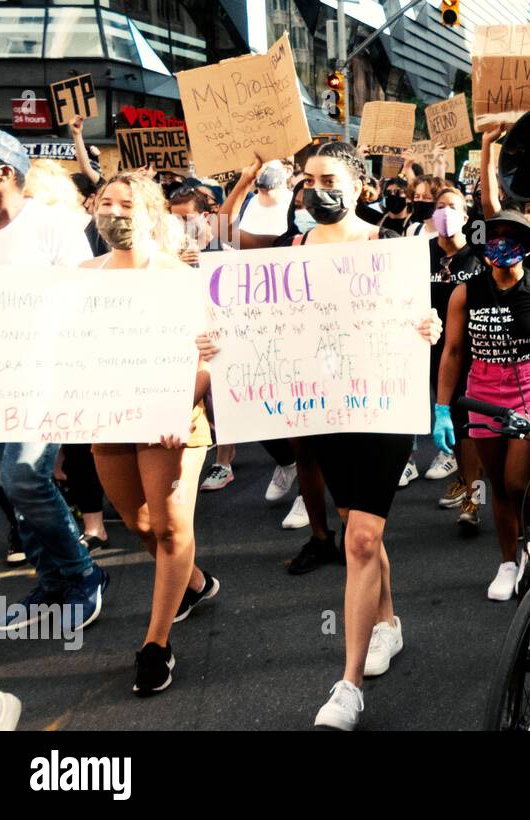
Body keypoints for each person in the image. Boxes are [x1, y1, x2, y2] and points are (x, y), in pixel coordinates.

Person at [200, 141, 440, 729]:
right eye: (307, 179)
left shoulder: (391, 250)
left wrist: (426, 326)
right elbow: (245, 308)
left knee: (359, 538)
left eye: (327, 178)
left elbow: (421, 319)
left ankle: (348, 686)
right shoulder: (293, 248)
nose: (315, 188)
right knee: (364, 525)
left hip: (380, 413)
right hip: (327, 414)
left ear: (358, 187)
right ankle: (387, 623)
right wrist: (217, 343)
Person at [83, 172, 221, 695]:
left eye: (127, 204)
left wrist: (176, 404)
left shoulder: (178, 277)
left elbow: (211, 357)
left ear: (150, 215)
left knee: (167, 526)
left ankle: (156, 644)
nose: (115, 213)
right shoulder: (82, 276)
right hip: (109, 417)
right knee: (137, 521)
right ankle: (196, 583)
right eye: (106, 203)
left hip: (170, 421)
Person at [0, 123, 108, 635]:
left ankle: (84, 574)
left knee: (25, 474)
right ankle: (51, 579)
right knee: (9, 483)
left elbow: (82, 297)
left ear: (2, 171)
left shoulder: (51, 223)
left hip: (46, 369)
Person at [435, 209, 530, 600]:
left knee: (517, 481)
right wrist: (443, 408)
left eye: (511, 237)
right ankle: (508, 561)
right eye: (494, 237)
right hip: (482, 392)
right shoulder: (467, 290)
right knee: (497, 485)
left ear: (528, 247)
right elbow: (454, 350)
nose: (501, 245)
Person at [420, 187, 486, 531]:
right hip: (436, 352)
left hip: (473, 350)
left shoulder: (478, 256)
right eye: (440, 207)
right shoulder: (420, 254)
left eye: (453, 207)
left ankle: (476, 499)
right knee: (455, 422)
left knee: (471, 424)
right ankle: (464, 477)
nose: (445, 212)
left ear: (465, 217)